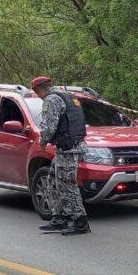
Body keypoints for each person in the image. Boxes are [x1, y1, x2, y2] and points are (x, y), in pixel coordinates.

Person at [32, 76, 90, 235]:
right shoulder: (68, 95)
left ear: (38, 90)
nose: (37, 95)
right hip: (70, 147)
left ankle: (80, 221)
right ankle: (59, 217)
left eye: (36, 92)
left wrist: (43, 142)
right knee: (52, 178)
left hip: (68, 148)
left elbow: (50, 126)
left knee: (67, 183)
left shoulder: (51, 100)